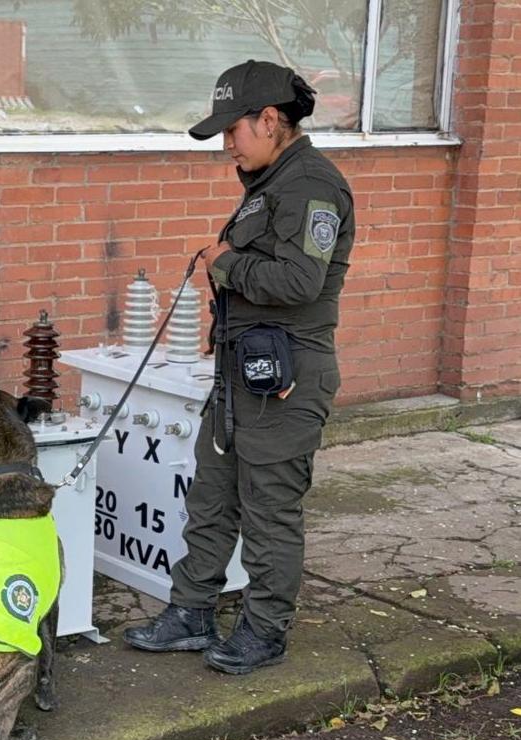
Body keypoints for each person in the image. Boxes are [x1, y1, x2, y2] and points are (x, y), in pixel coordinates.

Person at [122, 59, 355, 675]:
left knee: (270, 509)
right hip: (242, 372)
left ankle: (264, 629)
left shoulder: (311, 186)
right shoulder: (269, 183)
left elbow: (302, 281)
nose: (227, 144)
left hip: (286, 380)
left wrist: (224, 264)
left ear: (271, 120)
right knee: (211, 498)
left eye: (235, 130)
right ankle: (192, 612)